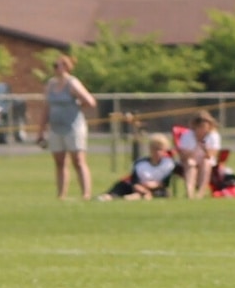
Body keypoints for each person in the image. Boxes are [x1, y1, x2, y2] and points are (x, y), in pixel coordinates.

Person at [38, 55, 96, 200]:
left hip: (73, 127)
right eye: (54, 65)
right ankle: (61, 195)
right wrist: (41, 130)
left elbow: (90, 101)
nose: (55, 68)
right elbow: (46, 108)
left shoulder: (72, 83)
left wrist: (76, 106)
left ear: (66, 67)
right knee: (60, 161)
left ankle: (86, 194)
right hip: (56, 128)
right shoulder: (51, 84)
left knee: (78, 160)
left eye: (57, 65)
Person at [97, 133, 177, 201]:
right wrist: (144, 190)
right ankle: (108, 197)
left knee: (163, 193)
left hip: (154, 189)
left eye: (160, 149)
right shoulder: (140, 164)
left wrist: (152, 185)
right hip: (135, 186)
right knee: (120, 188)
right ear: (150, 149)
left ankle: (137, 196)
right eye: (154, 149)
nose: (157, 152)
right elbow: (134, 182)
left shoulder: (168, 164)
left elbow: (164, 183)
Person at [177, 110, 222, 199]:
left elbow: (212, 154)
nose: (203, 130)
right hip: (190, 159)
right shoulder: (187, 135)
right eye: (200, 127)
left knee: (206, 163)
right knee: (190, 163)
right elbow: (183, 155)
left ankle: (201, 193)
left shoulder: (213, 136)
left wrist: (203, 147)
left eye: (205, 127)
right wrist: (193, 150)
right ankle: (190, 192)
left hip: (206, 160)